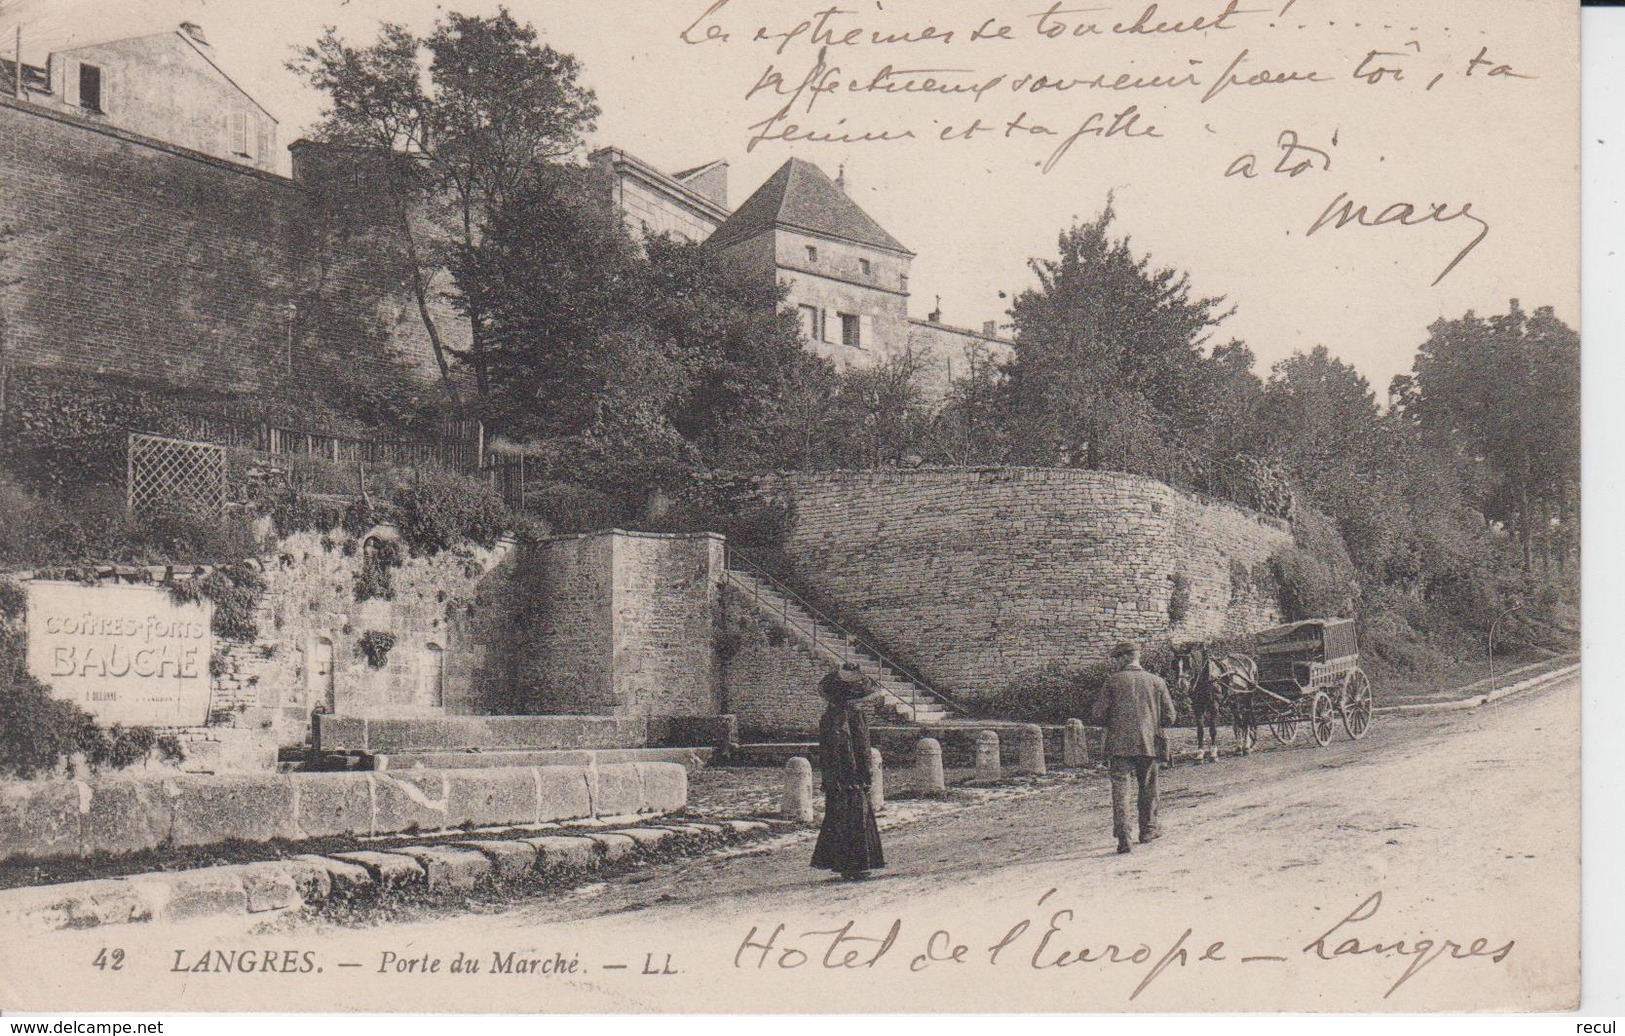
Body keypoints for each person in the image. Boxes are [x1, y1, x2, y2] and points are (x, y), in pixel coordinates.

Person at [1092, 640, 1178, 854]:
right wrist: (1152, 724)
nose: (1115, 663)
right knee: (1148, 787)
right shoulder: (1157, 681)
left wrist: (1116, 722)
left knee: (1120, 790)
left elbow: (1098, 715)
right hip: (1149, 744)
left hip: (1119, 746)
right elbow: (1170, 716)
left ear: (1124, 658)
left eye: (1117, 659)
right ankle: (1148, 830)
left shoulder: (1112, 682)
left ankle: (1123, 836)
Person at [811, 662, 885, 881]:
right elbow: (849, 749)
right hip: (846, 777)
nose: (863, 703)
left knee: (847, 816)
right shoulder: (840, 718)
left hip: (844, 777)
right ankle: (853, 865)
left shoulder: (843, 716)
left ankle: (853, 864)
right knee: (851, 817)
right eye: (859, 700)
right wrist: (859, 774)